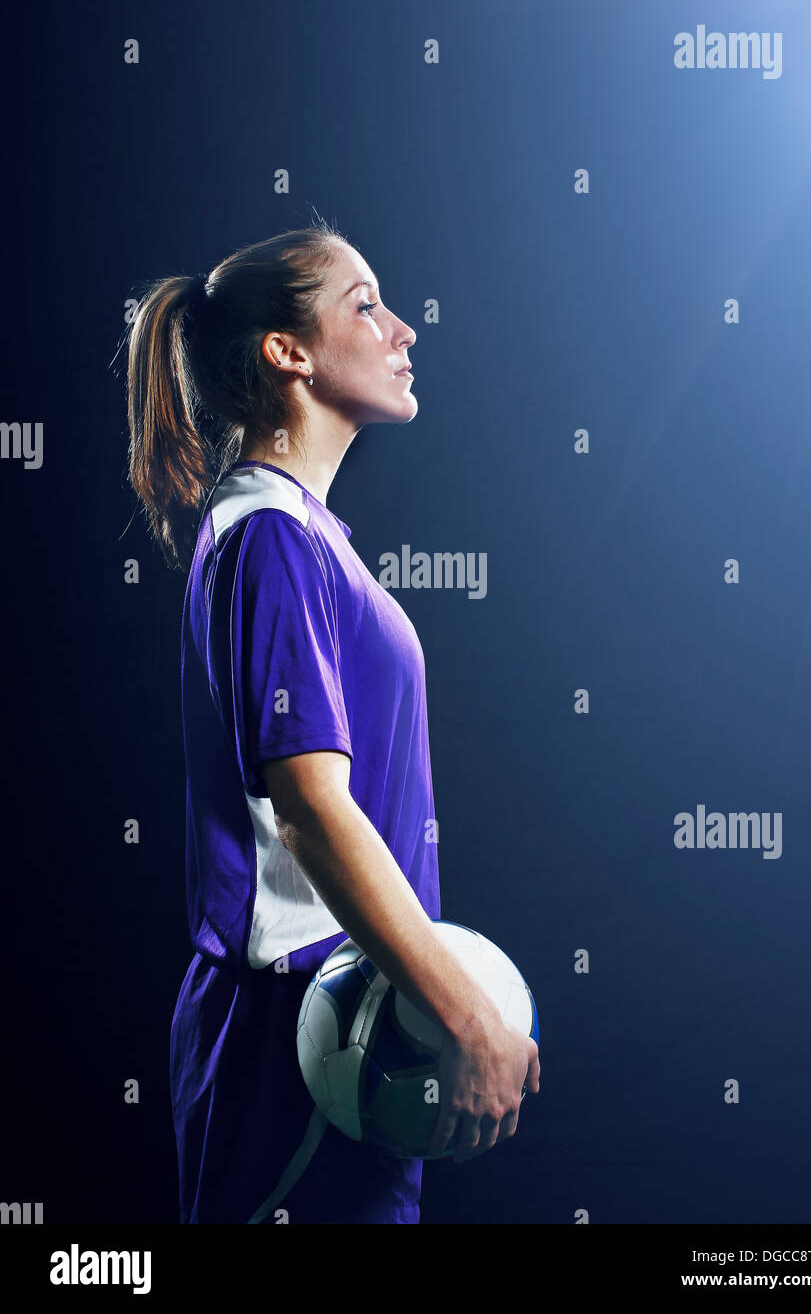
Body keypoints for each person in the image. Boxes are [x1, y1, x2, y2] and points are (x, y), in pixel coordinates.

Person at [125, 218, 540, 1224]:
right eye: (364, 303)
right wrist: (460, 1009)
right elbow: (309, 808)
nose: (402, 330)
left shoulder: (303, 534)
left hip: (351, 1021)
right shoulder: (265, 534)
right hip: (290, 1034)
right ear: (287, 351)